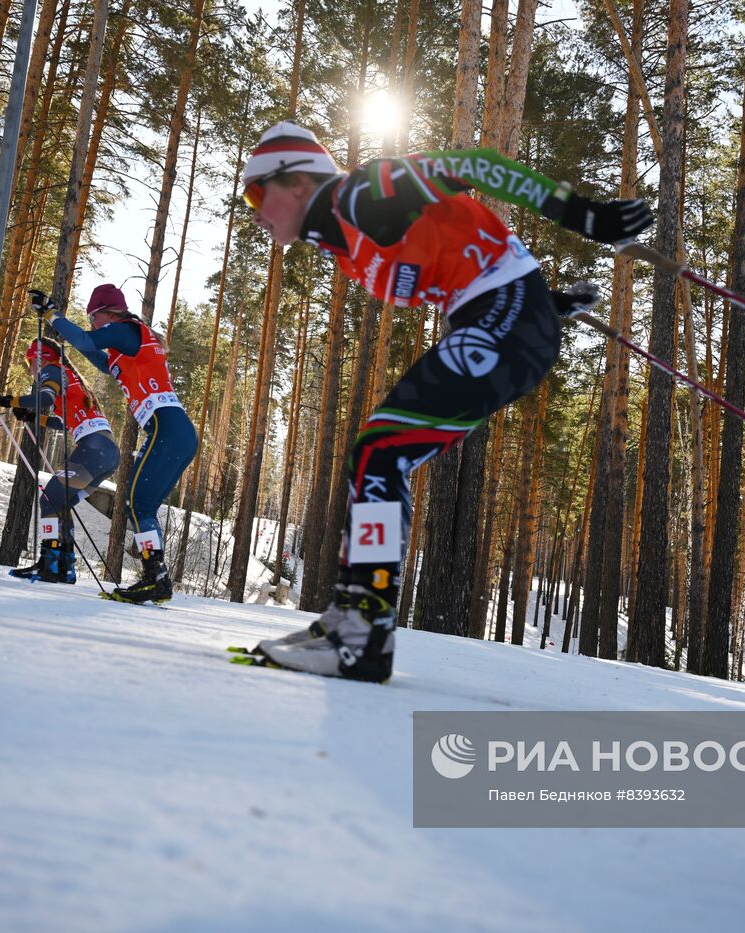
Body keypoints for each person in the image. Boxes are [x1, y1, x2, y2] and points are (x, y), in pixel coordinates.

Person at [242, 122, 654, 681]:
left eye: (256, 194)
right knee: (379, 454)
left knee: (381, 451)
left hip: (502, 322)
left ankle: (362, 632)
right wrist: (549, 302)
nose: (255, 211)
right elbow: (464, 255)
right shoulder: (342, 242)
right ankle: (353, 619)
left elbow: (479, 165)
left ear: (295, 182)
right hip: (503, 318)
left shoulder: (362, 195)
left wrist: (586, 217)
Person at [38, 284, 197, 603]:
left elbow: (85, 339)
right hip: (176, 432)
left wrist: (54, 315)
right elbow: (96, 356)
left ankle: (156, 578)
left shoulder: (125, 330)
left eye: (93, 318)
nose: (94, 325)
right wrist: (63, 327)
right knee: (143, 506)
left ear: (107, 313)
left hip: (167, 430)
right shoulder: (127, 345)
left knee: (139, 504)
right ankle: (157, 577)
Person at [0, 336, 119, 584]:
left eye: (29, 361)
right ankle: (65, 566)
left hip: (93, 448)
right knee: (61, 502)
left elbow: (44, 399)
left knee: (50, 499)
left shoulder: (53, 370)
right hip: (105, 452)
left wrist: (5, 400)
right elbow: (64, 421)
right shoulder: (71, 377)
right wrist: (34, 418)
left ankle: (51, 565)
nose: (30, 368)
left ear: (40, 358)